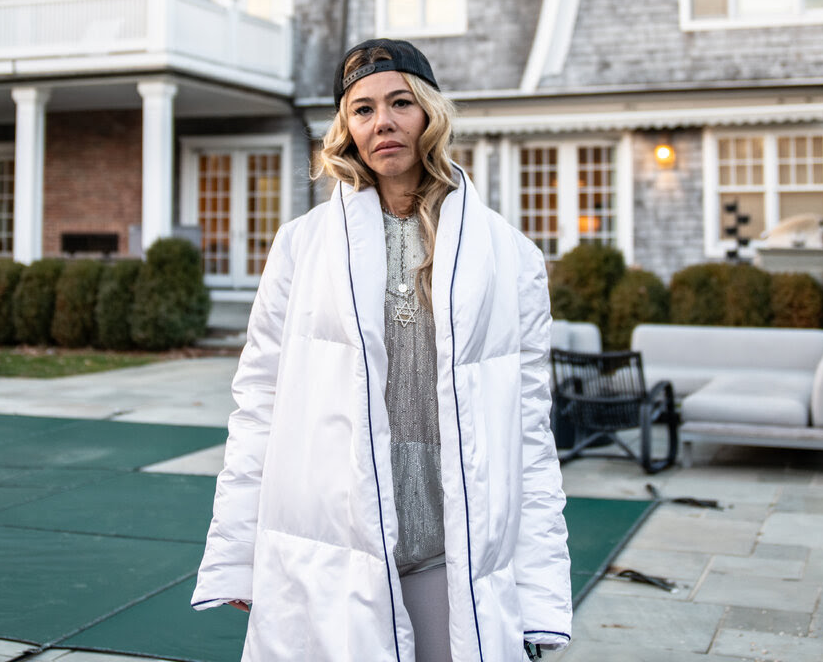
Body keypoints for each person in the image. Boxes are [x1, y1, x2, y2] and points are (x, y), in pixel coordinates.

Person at [192, 38, 571, 661]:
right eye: (362, 109)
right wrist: (237, 554)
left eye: (400, 101)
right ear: (347, 128)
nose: (383, 122)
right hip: (330, 546)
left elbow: (528, 431)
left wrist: (542, 593)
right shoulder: (300, 247)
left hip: (454, 548)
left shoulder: (510, 256)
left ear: (429, 114)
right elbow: (259, 403)